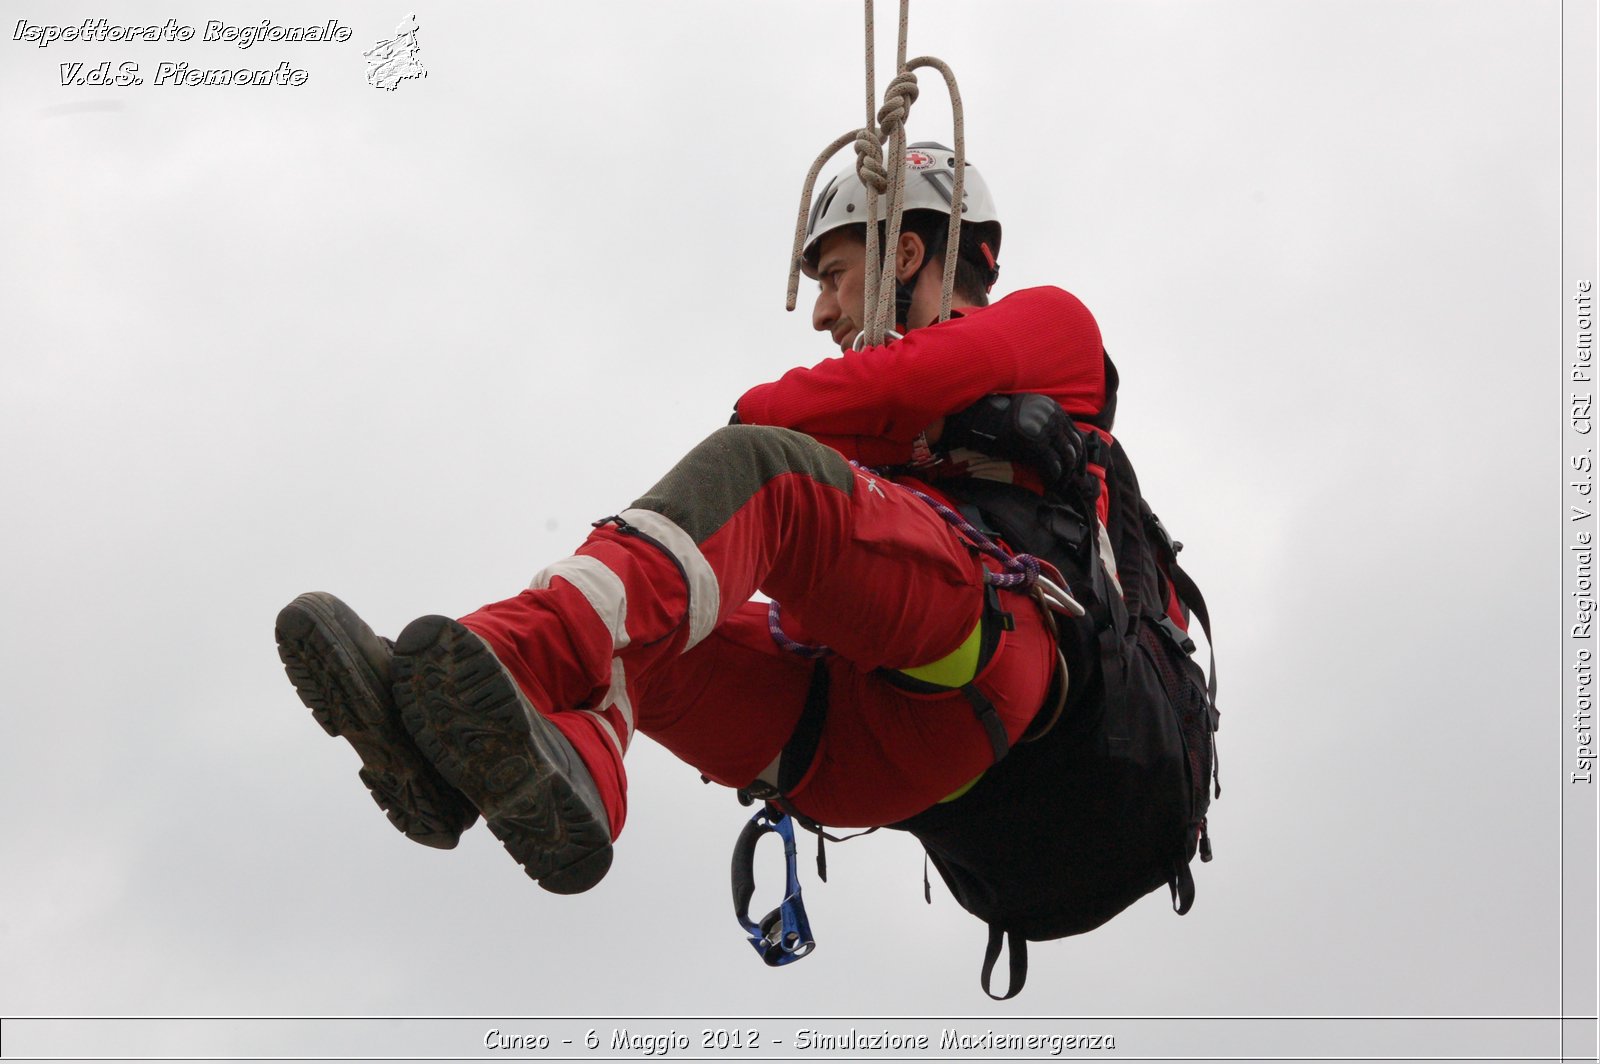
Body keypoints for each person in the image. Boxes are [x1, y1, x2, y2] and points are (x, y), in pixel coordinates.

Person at [275, 142, 1114, 896]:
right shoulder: (916, 410)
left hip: (984, 657)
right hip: (848, 751)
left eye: (833, 276)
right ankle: (575, 763)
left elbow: (771, 413)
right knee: (660, 624)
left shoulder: (1053, 326)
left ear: (905, 252)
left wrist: (906, 420)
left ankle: (489, 664)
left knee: (757, 474)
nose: (822, 314)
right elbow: (816, 408)